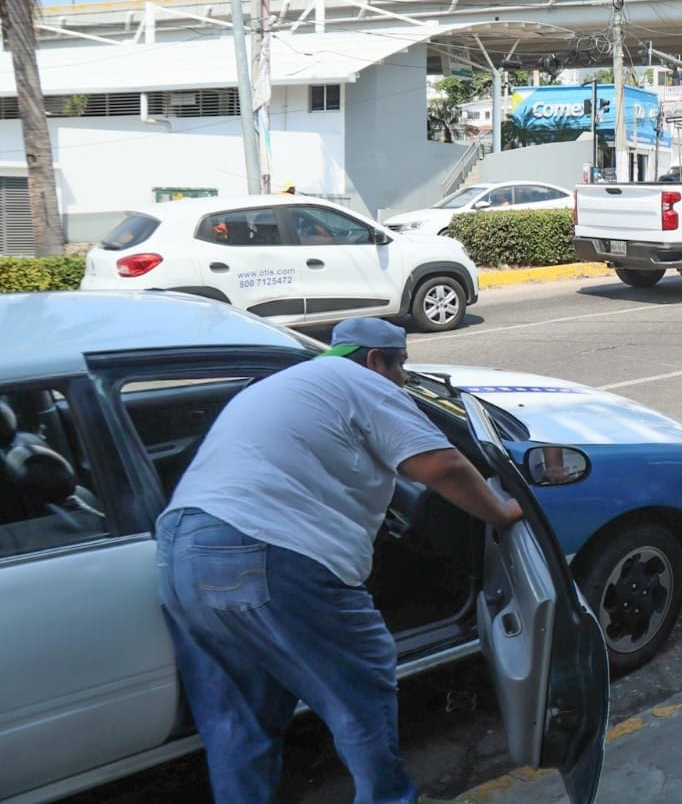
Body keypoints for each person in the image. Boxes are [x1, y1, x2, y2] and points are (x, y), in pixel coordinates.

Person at [155, 318, 523, 803]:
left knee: (237, 719)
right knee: (361, 684)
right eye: (402, 367)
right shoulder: (363, 381)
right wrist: (501, 512)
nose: (402, 380)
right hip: (269, 549)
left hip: (182, 550)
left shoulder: (283, 383)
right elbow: (442, 465)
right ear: (376, 359)